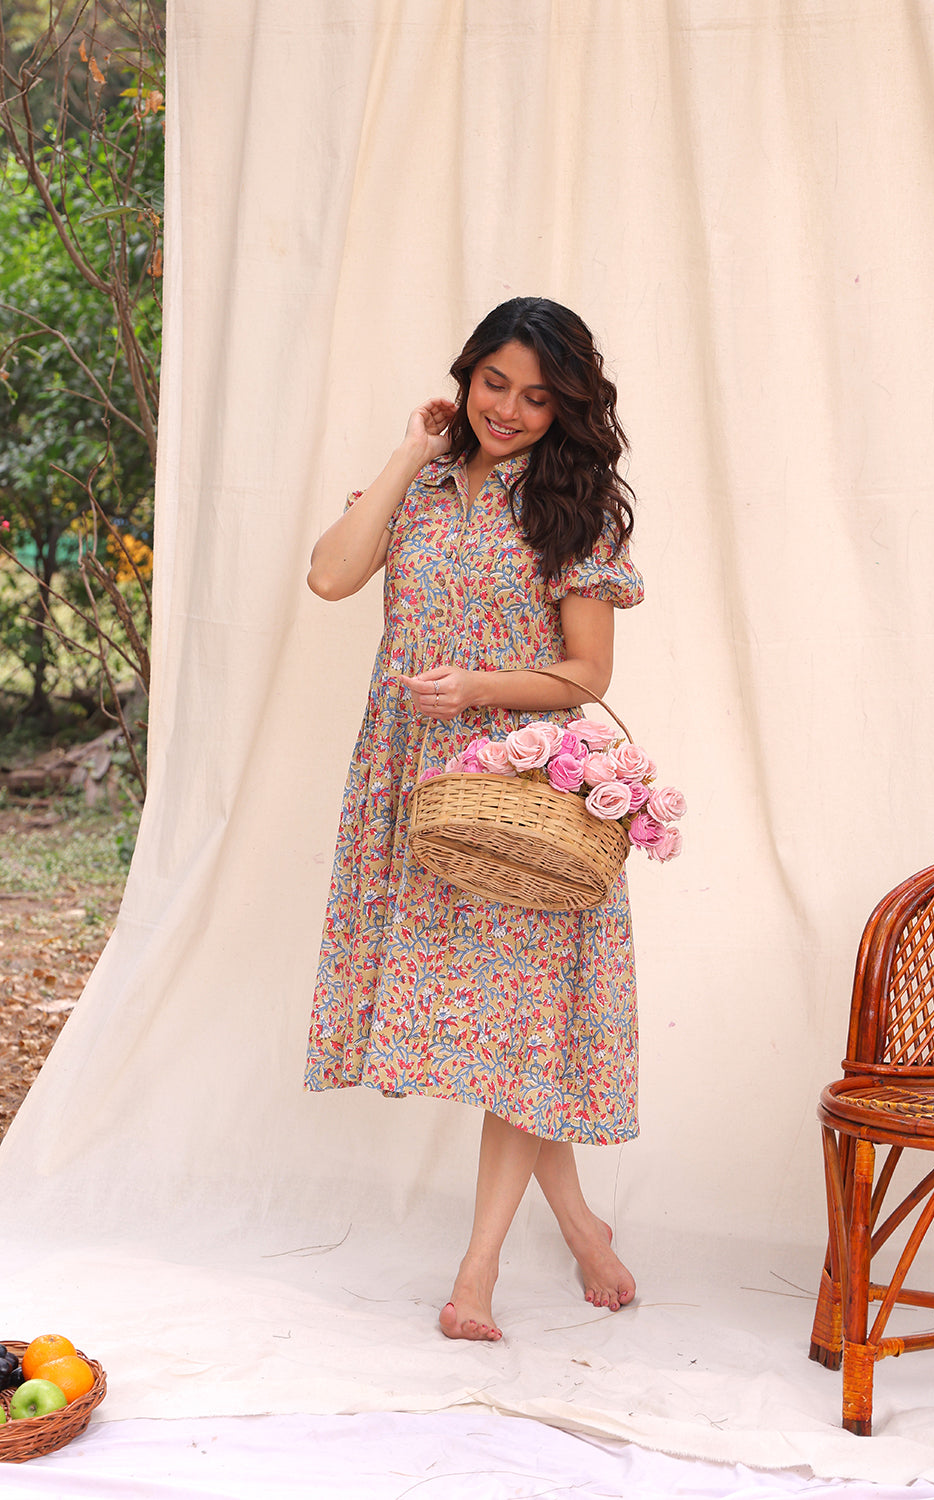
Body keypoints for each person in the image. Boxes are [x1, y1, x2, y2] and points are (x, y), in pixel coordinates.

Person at [305, 297, 644, 1342]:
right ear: (465, 376)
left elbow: (587, 674)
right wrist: (411, 452)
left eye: (538, 397)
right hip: (410, 782)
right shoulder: (417, 490)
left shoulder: (571, 508)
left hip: (516, 782)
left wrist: (481, 688)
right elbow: (329, 575)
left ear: (567, 409)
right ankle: (582, 1223)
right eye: (494, 383)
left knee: (518, 1025)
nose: (508, 409)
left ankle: (476, 1271)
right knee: (505, 1030)